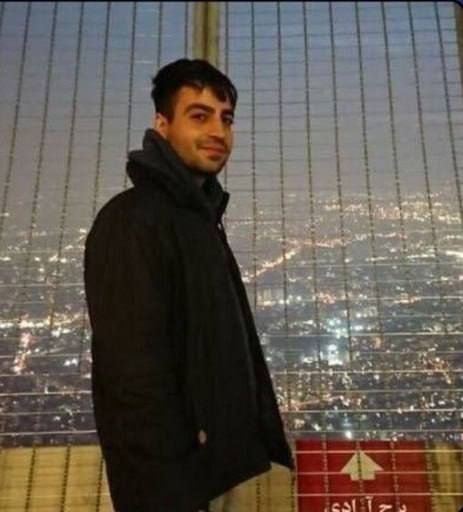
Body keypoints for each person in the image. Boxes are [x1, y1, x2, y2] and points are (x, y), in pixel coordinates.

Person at [83, 58, 294, 512]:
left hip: (207, 473)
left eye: (226, 118)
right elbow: (132, 378)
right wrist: (170, 494)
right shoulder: (133, 221)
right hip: (174, 487)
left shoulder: (196, 219)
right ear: (162, 125)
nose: (218, 131)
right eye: (199, 116)